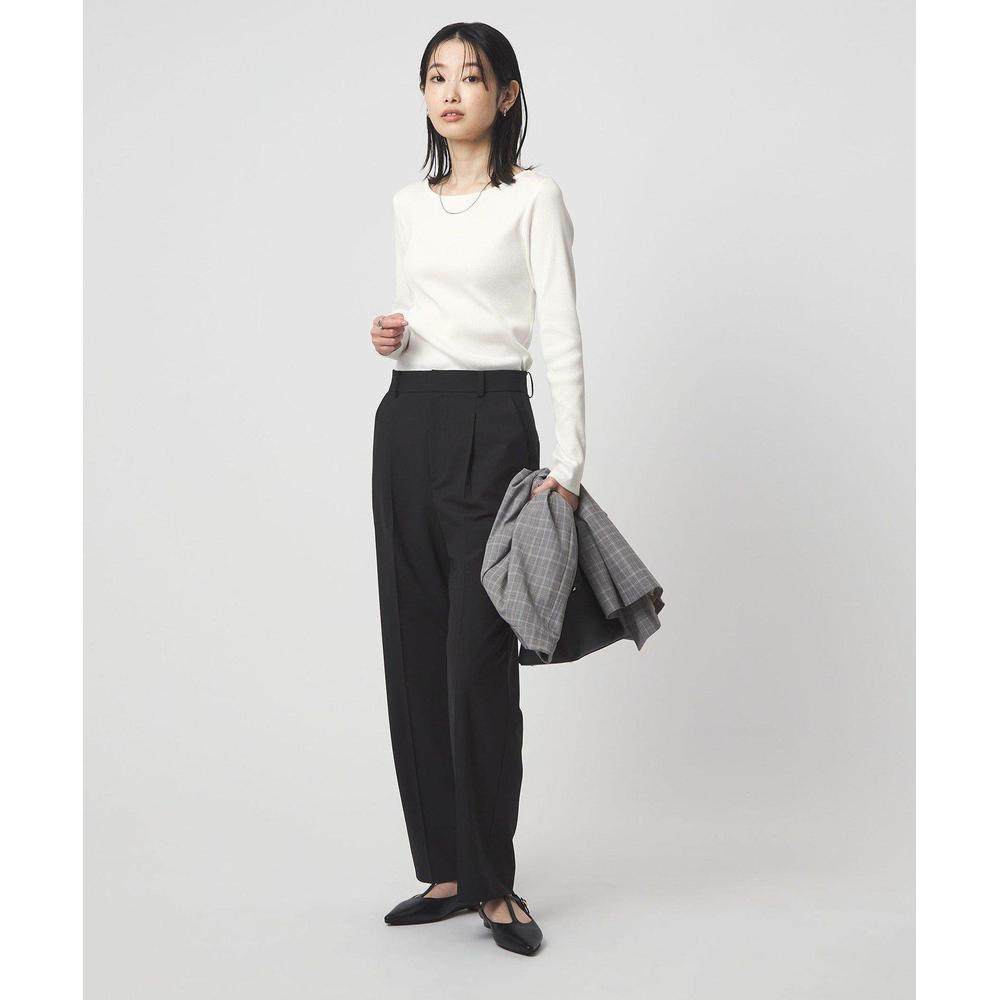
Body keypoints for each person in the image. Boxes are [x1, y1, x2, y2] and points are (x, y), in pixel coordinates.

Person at [369, 22, 586, 957]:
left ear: (506, 94)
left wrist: (567, 470)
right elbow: (430, 319)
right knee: (416, 651)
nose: (450, 91)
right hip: (406, 424)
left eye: (470, 76)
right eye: (435, 76)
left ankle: (497, 883)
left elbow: (558, 331)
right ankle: (449, 870)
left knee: (477, 664)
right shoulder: (407, 204)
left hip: (494, 427)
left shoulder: (534, 197)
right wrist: (394, 336)